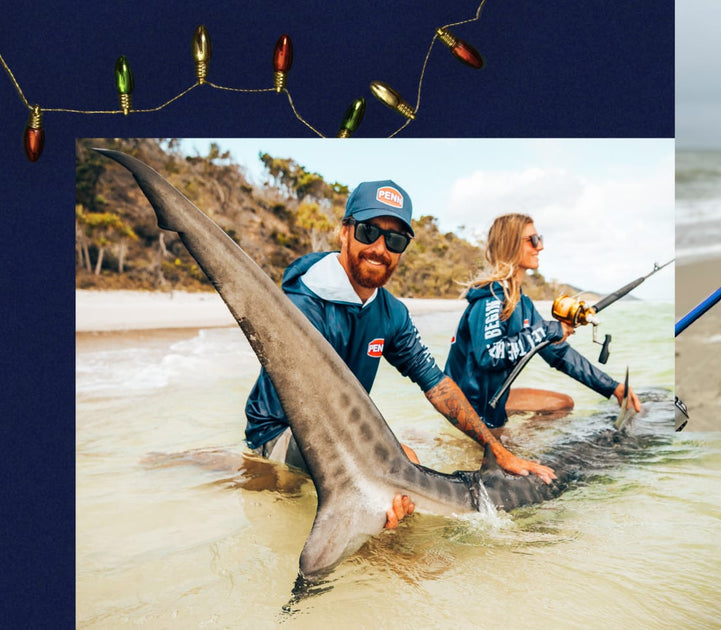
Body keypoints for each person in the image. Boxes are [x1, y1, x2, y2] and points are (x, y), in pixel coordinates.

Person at [244, 181, 556, 529]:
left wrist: (498, 453)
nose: (379, 248)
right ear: (344, 233)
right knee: (398, 473)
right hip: (280, 433)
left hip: (340, 430)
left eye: (394, 240)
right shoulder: (305, 302)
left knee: (402, 479)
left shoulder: (391, 313)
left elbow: (436, 384)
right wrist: (383, 466)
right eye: (368, 231)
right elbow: (310, 409)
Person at [444, 212, 641, 430]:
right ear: (510, 245)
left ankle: (522, 441)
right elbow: (490, 355)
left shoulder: (521, 302)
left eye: (540, 239)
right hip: (468, 408)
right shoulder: (491, 299)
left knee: (562, 404)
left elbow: (557, 353)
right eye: (533, 240)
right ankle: (506, 444)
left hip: (492, 401)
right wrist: (548, 330)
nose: (540, 247)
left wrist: (612, 387)